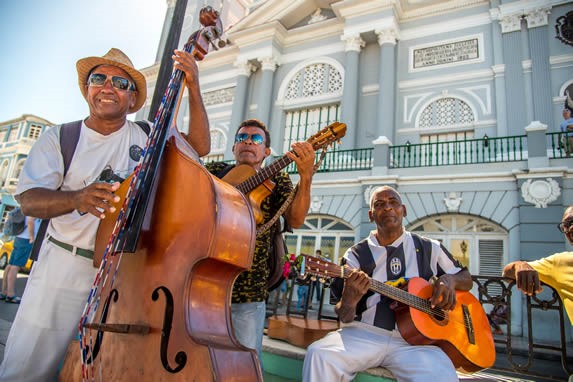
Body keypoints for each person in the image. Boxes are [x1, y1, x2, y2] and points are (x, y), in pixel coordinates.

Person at [0, 47, 210, 382]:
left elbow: (198, 147)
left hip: (125, 276)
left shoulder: (146, 136)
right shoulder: (61, 137)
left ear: (132, 99)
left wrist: (194, 87)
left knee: (105, 370)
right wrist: (77, 198)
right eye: (99, 78)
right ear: (88, 90)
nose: (107, 86)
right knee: (27, 367)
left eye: (120, 83)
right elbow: (29, 200)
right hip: (64, 268)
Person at [303, 185, 472, 382]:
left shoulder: (428, 247)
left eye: (393, 202)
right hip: (365, 334)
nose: (388, 208)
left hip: (417, 344)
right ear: (371, 215)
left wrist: (449, 279)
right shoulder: (355, 255)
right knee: (320, 355)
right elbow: (344, 315)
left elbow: (465, 278)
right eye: (380, 204)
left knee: (441, 374)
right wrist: (349, 300)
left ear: (404, 210)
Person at [205, 118, 315, 363]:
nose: (247, 142)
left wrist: (306, 176)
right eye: (241, 138)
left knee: (244, 364)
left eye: (255, 139)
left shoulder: (278, 182)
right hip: (202, 285)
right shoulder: (214, 172)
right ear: (233, 147)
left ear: (266, 151)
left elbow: (296, 220)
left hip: (247, 292)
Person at [502, 205, 573, 323]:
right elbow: (507, 274)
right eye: (567, 224)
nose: (570, 228)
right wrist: (520, 265)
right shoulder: (560, 262)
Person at [0, 216, 38, 303]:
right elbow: (30, 220)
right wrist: (32, 237)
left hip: (18, 237)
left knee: (10, 265)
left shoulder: (25, 205)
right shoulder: (33, 207)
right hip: (26, 239)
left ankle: (4, 292)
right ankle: (10, 294)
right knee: (15, 266)